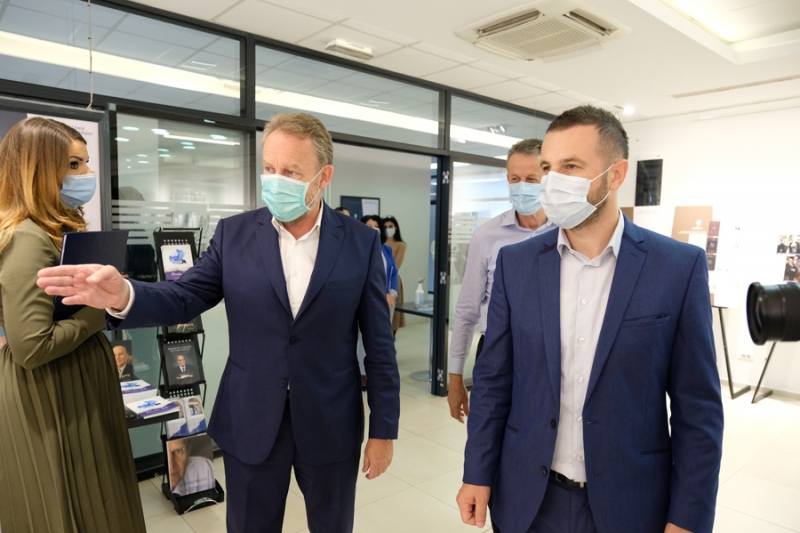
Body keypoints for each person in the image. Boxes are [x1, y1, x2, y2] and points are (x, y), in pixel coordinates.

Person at [38, 112, 400, 533]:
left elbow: (379, 345)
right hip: (251, 420)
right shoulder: (234, 235)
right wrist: (125, 295)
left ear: (324, 177)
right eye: (269, 168)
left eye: (290, 172)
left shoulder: (360, 242)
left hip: (330, 421)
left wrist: (383, 430)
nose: (275, 181)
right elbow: (184, 296)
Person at [457, 105, 723, 533]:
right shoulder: (516, 264)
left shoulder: (676, 268)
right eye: (548, 168)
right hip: (527, 497)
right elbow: (493, 382)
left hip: (629, 502)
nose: (552, 182)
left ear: (615, 175)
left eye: (571, 166)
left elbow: (698, 409)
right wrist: (477, 472)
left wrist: (689, 517)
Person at [0, 117, 146, 533]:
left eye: (85, 163)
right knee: (71, 508)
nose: (87, 174)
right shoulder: (27, 238)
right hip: (51, 393)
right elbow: (32, 347)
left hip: (74, 382)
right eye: (75, 165)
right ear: (39, 170)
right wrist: (98, 311)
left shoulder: (53, 230)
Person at [448, 139, 554, 424]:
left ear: (548, 179)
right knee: (486, 431)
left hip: (551, 352)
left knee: (540, 433)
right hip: (496, 350)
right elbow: (467, 310)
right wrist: (455, 377)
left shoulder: (568, 232)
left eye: (531, 179)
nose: (522, 186)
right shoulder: (487, 235)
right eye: (514, 179)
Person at [358, 215, 398, 388]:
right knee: (361, 338)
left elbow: (393, 272)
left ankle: (377, 373)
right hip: (363, 300)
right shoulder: (356, 248)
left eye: (376, 226)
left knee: (381, 338)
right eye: (369, 225)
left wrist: (392, 293)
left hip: (385, 300)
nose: (373, 229)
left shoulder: (386, 249)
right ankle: (361, 373)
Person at [382, 216, 406, 337]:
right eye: (385, 227)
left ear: (395, 227)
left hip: (392, 280)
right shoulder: (379, 243)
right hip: (377, 281)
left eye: (390, 226)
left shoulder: (400, 244)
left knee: (392, 316)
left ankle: (391, 339)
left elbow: (396, 265)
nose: (388, 229)